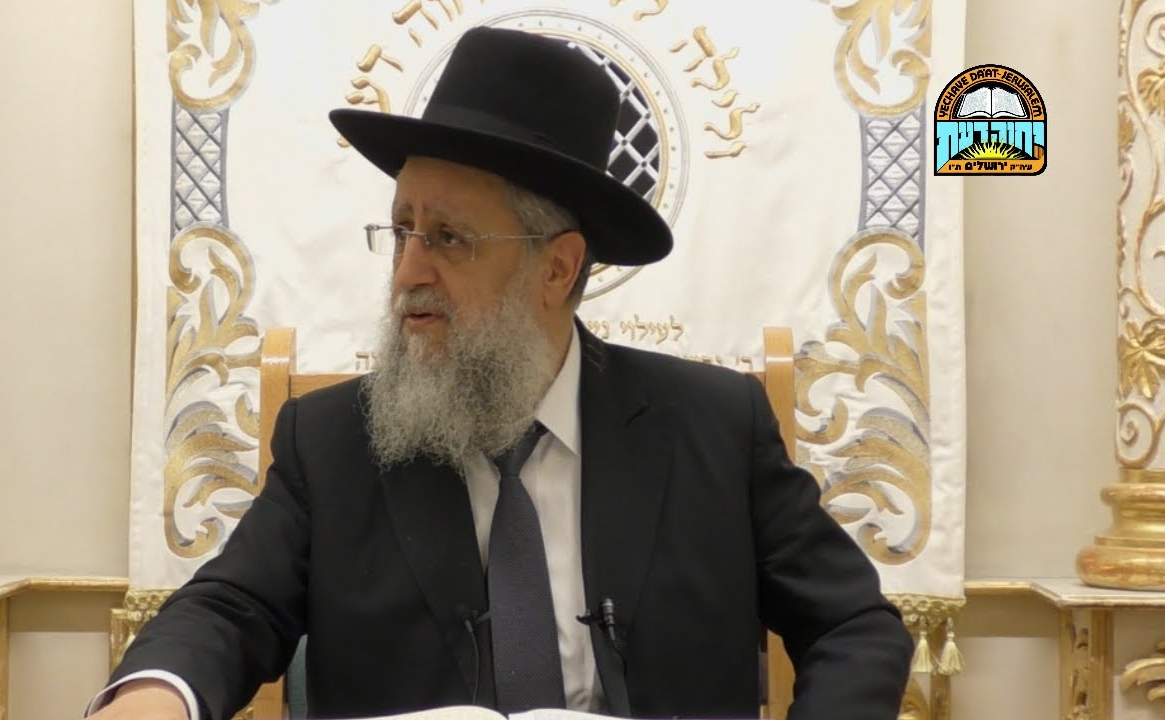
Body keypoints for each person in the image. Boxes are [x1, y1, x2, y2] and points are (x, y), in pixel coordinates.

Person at [88, 26, 913, 720]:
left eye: (449, 238)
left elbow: (854, 626)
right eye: (402, 231)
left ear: (557, 268)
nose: (409, 271)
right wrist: (156, 693)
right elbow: (231, 608)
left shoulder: (714, 427)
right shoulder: (331, 440)